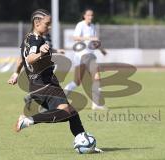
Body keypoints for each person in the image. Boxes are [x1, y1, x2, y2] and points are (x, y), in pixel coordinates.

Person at [8, 9, 102, 153]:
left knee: (72, 113)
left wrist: (15, 73)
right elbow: (30, 58)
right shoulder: (37, 40)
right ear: (37, 23)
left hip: (40, 85)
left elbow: (21, 57)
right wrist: (42, 53)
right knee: (66, 112)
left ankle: (87, 144)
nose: (50, 27)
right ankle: (27, 121)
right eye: (47, 24)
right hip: (44, 84)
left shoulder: (28, 38)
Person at [64, 9, 107, 110]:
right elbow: (75, 37)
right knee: (96, 76)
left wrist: (102, 50)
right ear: (84, 16)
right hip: (82, 54)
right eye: (88, 15)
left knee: (77, 81)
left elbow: (95, 41)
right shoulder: (80, 25)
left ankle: (63, 95)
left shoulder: (92, 27)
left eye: (92, 15)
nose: (90, 17)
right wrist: (88, 38)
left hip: (88, 54)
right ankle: (96, 103)